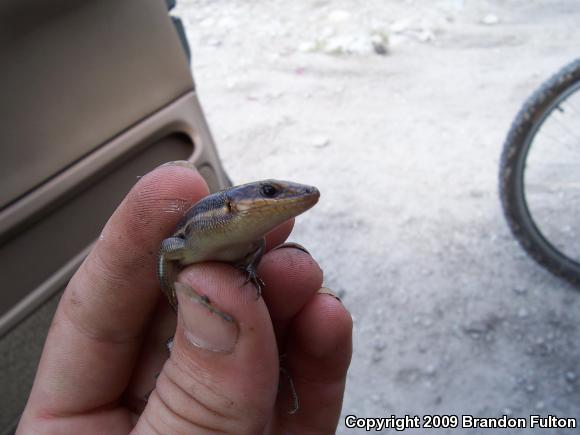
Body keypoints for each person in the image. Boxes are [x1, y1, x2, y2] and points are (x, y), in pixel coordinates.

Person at [17, 162, 352, 434]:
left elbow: (259, 245)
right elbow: (166, 250)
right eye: (270, 192)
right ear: (232, 204)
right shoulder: (189, 239)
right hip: (181, 301)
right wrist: (172, 294)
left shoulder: (253, 241)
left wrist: (250, 271)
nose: (293, 196)